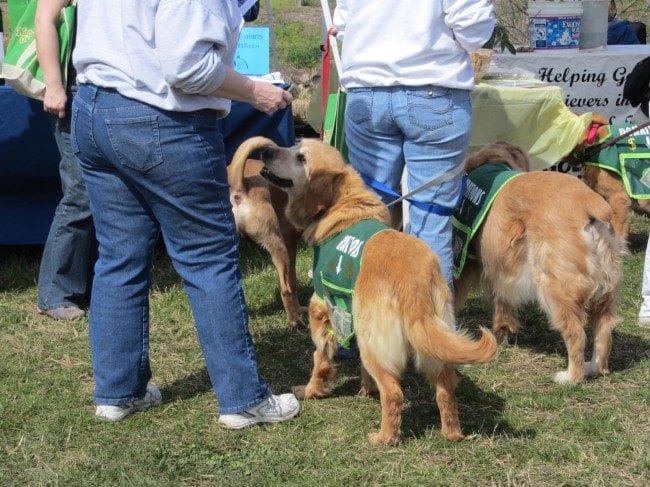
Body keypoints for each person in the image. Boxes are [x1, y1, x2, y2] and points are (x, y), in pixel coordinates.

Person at [71, 0, 299, 426]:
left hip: (94, 108)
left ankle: (119, 393)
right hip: (160, 120)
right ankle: (243, 399)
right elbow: (187, 68)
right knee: (209, 259)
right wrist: (257, 92)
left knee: (120, 256)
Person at [331, 0, 496, 288]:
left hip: (367, 91)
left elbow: (343, 25)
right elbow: (475, 32)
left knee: (366, 219)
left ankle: (368, 326)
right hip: (433, 93)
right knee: (430, 226)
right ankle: (432, 329)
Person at [35, 0, 96, 321]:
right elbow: (45, 18)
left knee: (107, 190)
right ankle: (56, 292)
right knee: (80, 193)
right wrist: (54, 85)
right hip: (74, 90)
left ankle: (100, 283)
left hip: (111, 90)